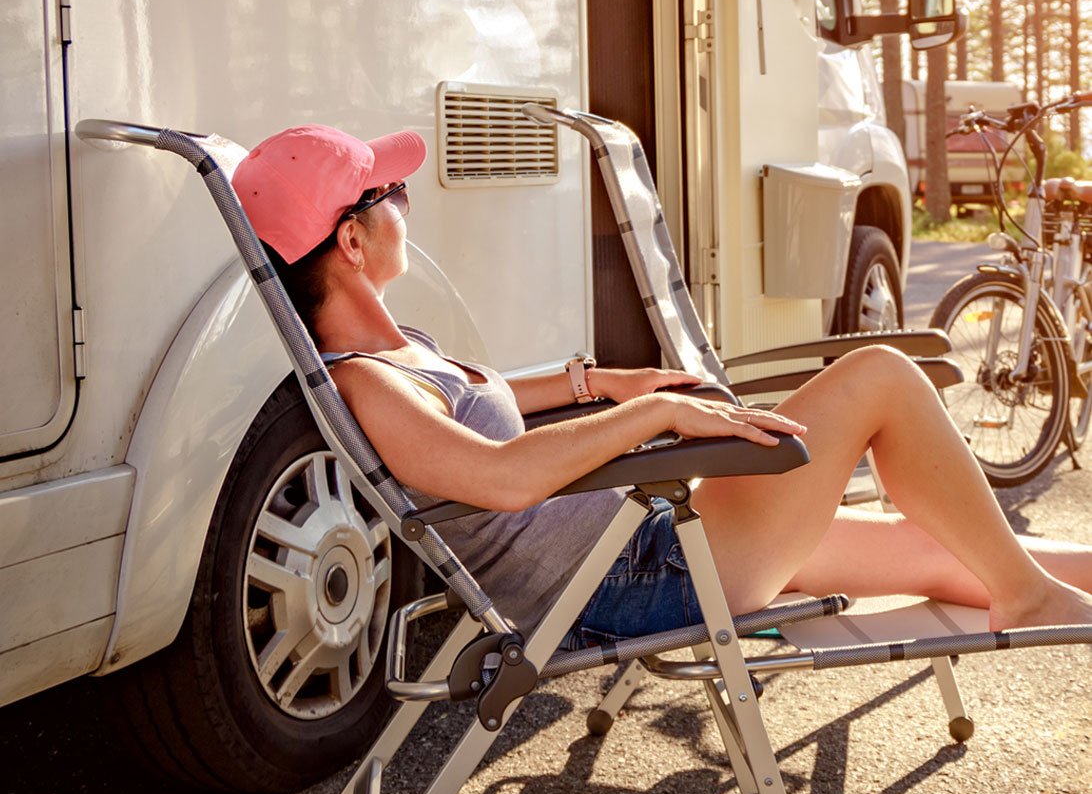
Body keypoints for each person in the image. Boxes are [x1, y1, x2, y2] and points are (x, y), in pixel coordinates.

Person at [233, 124, 1092, 647]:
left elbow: (496, 410)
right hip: (641, 573)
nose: (406, 203)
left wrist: (602, 379)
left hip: (650, 539)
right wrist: (656, 413)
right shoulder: (368, 386)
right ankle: (1023, 597)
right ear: (350, 241)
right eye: (390, 193)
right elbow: (500, 477)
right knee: (880, 376)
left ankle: (1035, 582)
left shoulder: (402, 354)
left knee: (935, 547)